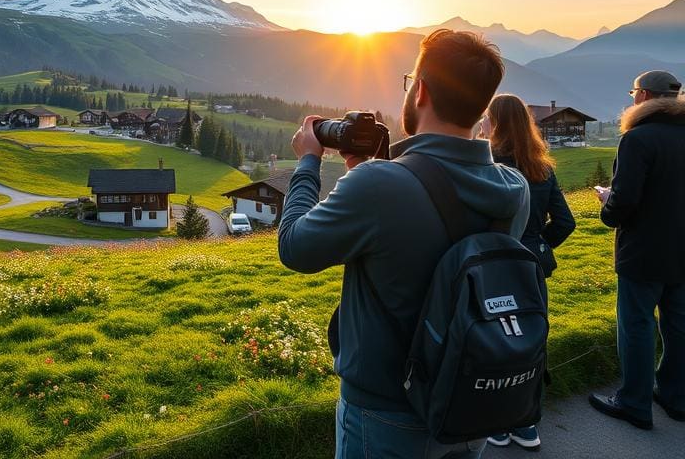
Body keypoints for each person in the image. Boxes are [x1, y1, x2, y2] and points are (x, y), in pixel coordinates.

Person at [279, 29, 529, 459]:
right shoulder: (513, 188)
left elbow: (295, 247)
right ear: (481, 105)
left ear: (422, 92)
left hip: (387, 410)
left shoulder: (378, 186)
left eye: (409, 81)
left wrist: (308, 161)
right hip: (468, 403)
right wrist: (369, 170)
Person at [590, 70, 685, 429]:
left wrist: (607, 203)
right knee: (678, 325)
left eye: (633, 93)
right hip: (683, 251)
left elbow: (625, 203)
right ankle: (676, 397)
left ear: (643, 96)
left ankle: (634, 402)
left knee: (637, 325)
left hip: (643, 252)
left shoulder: (639, 139)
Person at [484, 93, 576, 451]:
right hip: (532, 266)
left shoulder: (488, 164)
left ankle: (496, 420)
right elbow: (565, 222)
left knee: (493, 340)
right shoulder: (543, 167)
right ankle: (527, 424)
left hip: (491, 266)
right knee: (531, 339)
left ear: (494, 123)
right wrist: (539, 246)